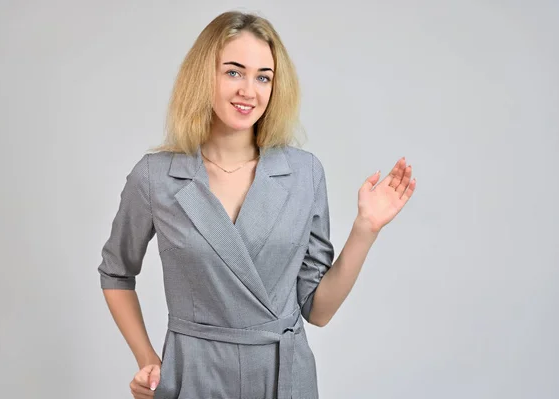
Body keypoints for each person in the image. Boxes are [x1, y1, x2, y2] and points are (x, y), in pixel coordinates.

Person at [98, 10, 416, 399]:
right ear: (204, 76)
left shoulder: (304, 173)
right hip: (194, 376)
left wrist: (365, 229)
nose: (249, 90)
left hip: (284, 377)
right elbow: (116, 273)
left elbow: (318, 310)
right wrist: (149, 361)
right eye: (234, 72)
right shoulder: (155, 176)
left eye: (263, 76)